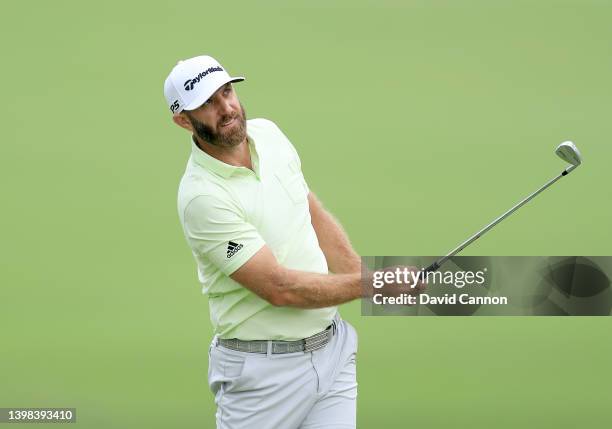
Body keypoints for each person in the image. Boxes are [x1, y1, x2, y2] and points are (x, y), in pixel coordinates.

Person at [164, 55, 422, 428]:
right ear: (183, 120)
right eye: (207, 103)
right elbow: (279, 288)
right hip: (261, 379)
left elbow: (310, 212)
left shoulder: (268, 134)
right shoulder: (202, 198)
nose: (226, 108)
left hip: (332, 354)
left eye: (227, 92)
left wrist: (364, 277)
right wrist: (373, 285)